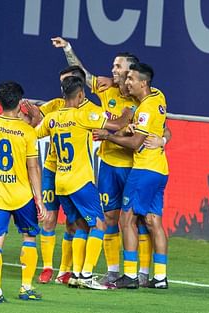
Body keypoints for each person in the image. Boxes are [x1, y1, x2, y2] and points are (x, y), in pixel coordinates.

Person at [52, 36, 171, 286]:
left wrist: (162, 140)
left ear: (132, 72)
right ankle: (114, 271)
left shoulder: (147, 98)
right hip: (108, 164)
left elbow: (164, 127)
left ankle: (142, 273)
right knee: (110, 218)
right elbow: (83, 75)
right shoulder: (107, 89)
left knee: (140, 221)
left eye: (119, 67)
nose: (113, 71)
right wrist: (68, 49)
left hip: (132, 165)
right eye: (114, 67)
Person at [36, 76, 132, 290]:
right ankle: (87, 275)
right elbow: (117, 125)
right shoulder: (83, 115)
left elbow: (34, 131)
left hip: (60, 181)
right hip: (80, 182)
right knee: (99, 223)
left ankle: (76, 273)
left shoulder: (53, 118)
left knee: (80, 224)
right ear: (80, 95)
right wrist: (129, 111)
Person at [93, 63, 170, 289]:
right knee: (153, 221)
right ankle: (160, 277)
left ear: (143, 83)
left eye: (131, 79)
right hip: (161, 169)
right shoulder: (159, 96)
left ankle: (129, 275)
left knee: (126, 220)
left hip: (144, 169)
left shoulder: (145, 109)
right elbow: (161, 129)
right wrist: (162, 140)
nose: (127, 83)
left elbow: (136, 144)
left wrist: (108, 136)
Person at [0, 81, 47, 303]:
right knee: (29, 237)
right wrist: (40, 200)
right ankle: (26, 287)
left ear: (0, 101)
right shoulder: (26, 132)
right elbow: (33, 167)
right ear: (19, 104)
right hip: (22, 194)